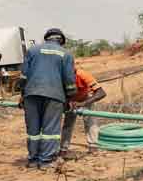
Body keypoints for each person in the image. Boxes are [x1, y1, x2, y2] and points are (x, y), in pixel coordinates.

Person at [20, 28, 76, 170]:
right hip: (54, 96)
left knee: (33, 130)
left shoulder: (32, 50)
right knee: (50, 130)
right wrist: (70, 98)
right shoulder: (66, 54)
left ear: (46, 38)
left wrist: (23, 95)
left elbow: (23, 77)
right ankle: (45, 161)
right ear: (61, 40)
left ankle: (33, 160)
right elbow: (69, 80)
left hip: (31, 95)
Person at [60, 65, 106, 156]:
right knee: (68, 124)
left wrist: (83, 103)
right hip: (71, 100)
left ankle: (93, 146)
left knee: (90, 121)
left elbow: (101, 93)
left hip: (86, 97)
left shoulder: (82, 74)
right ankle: (63, 149)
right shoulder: (60, 77)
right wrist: (67, 103)